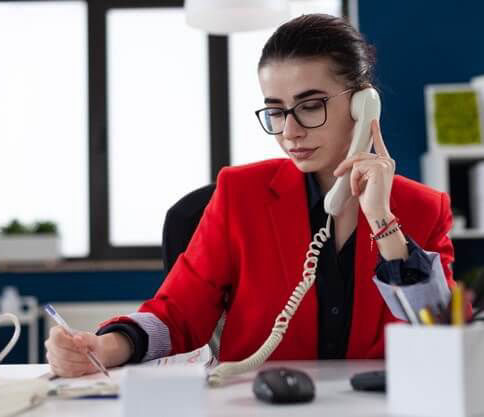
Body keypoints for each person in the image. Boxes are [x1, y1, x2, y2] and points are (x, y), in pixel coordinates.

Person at [45, 13, 459, 378]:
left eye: (310, 105)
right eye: (276, 111)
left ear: (363, 104)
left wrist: (384, 223)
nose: (289, 131)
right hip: (258, 405)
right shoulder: (240, 195)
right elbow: (177, 314)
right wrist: (104, 348)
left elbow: (442, 338)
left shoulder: (423, 208)